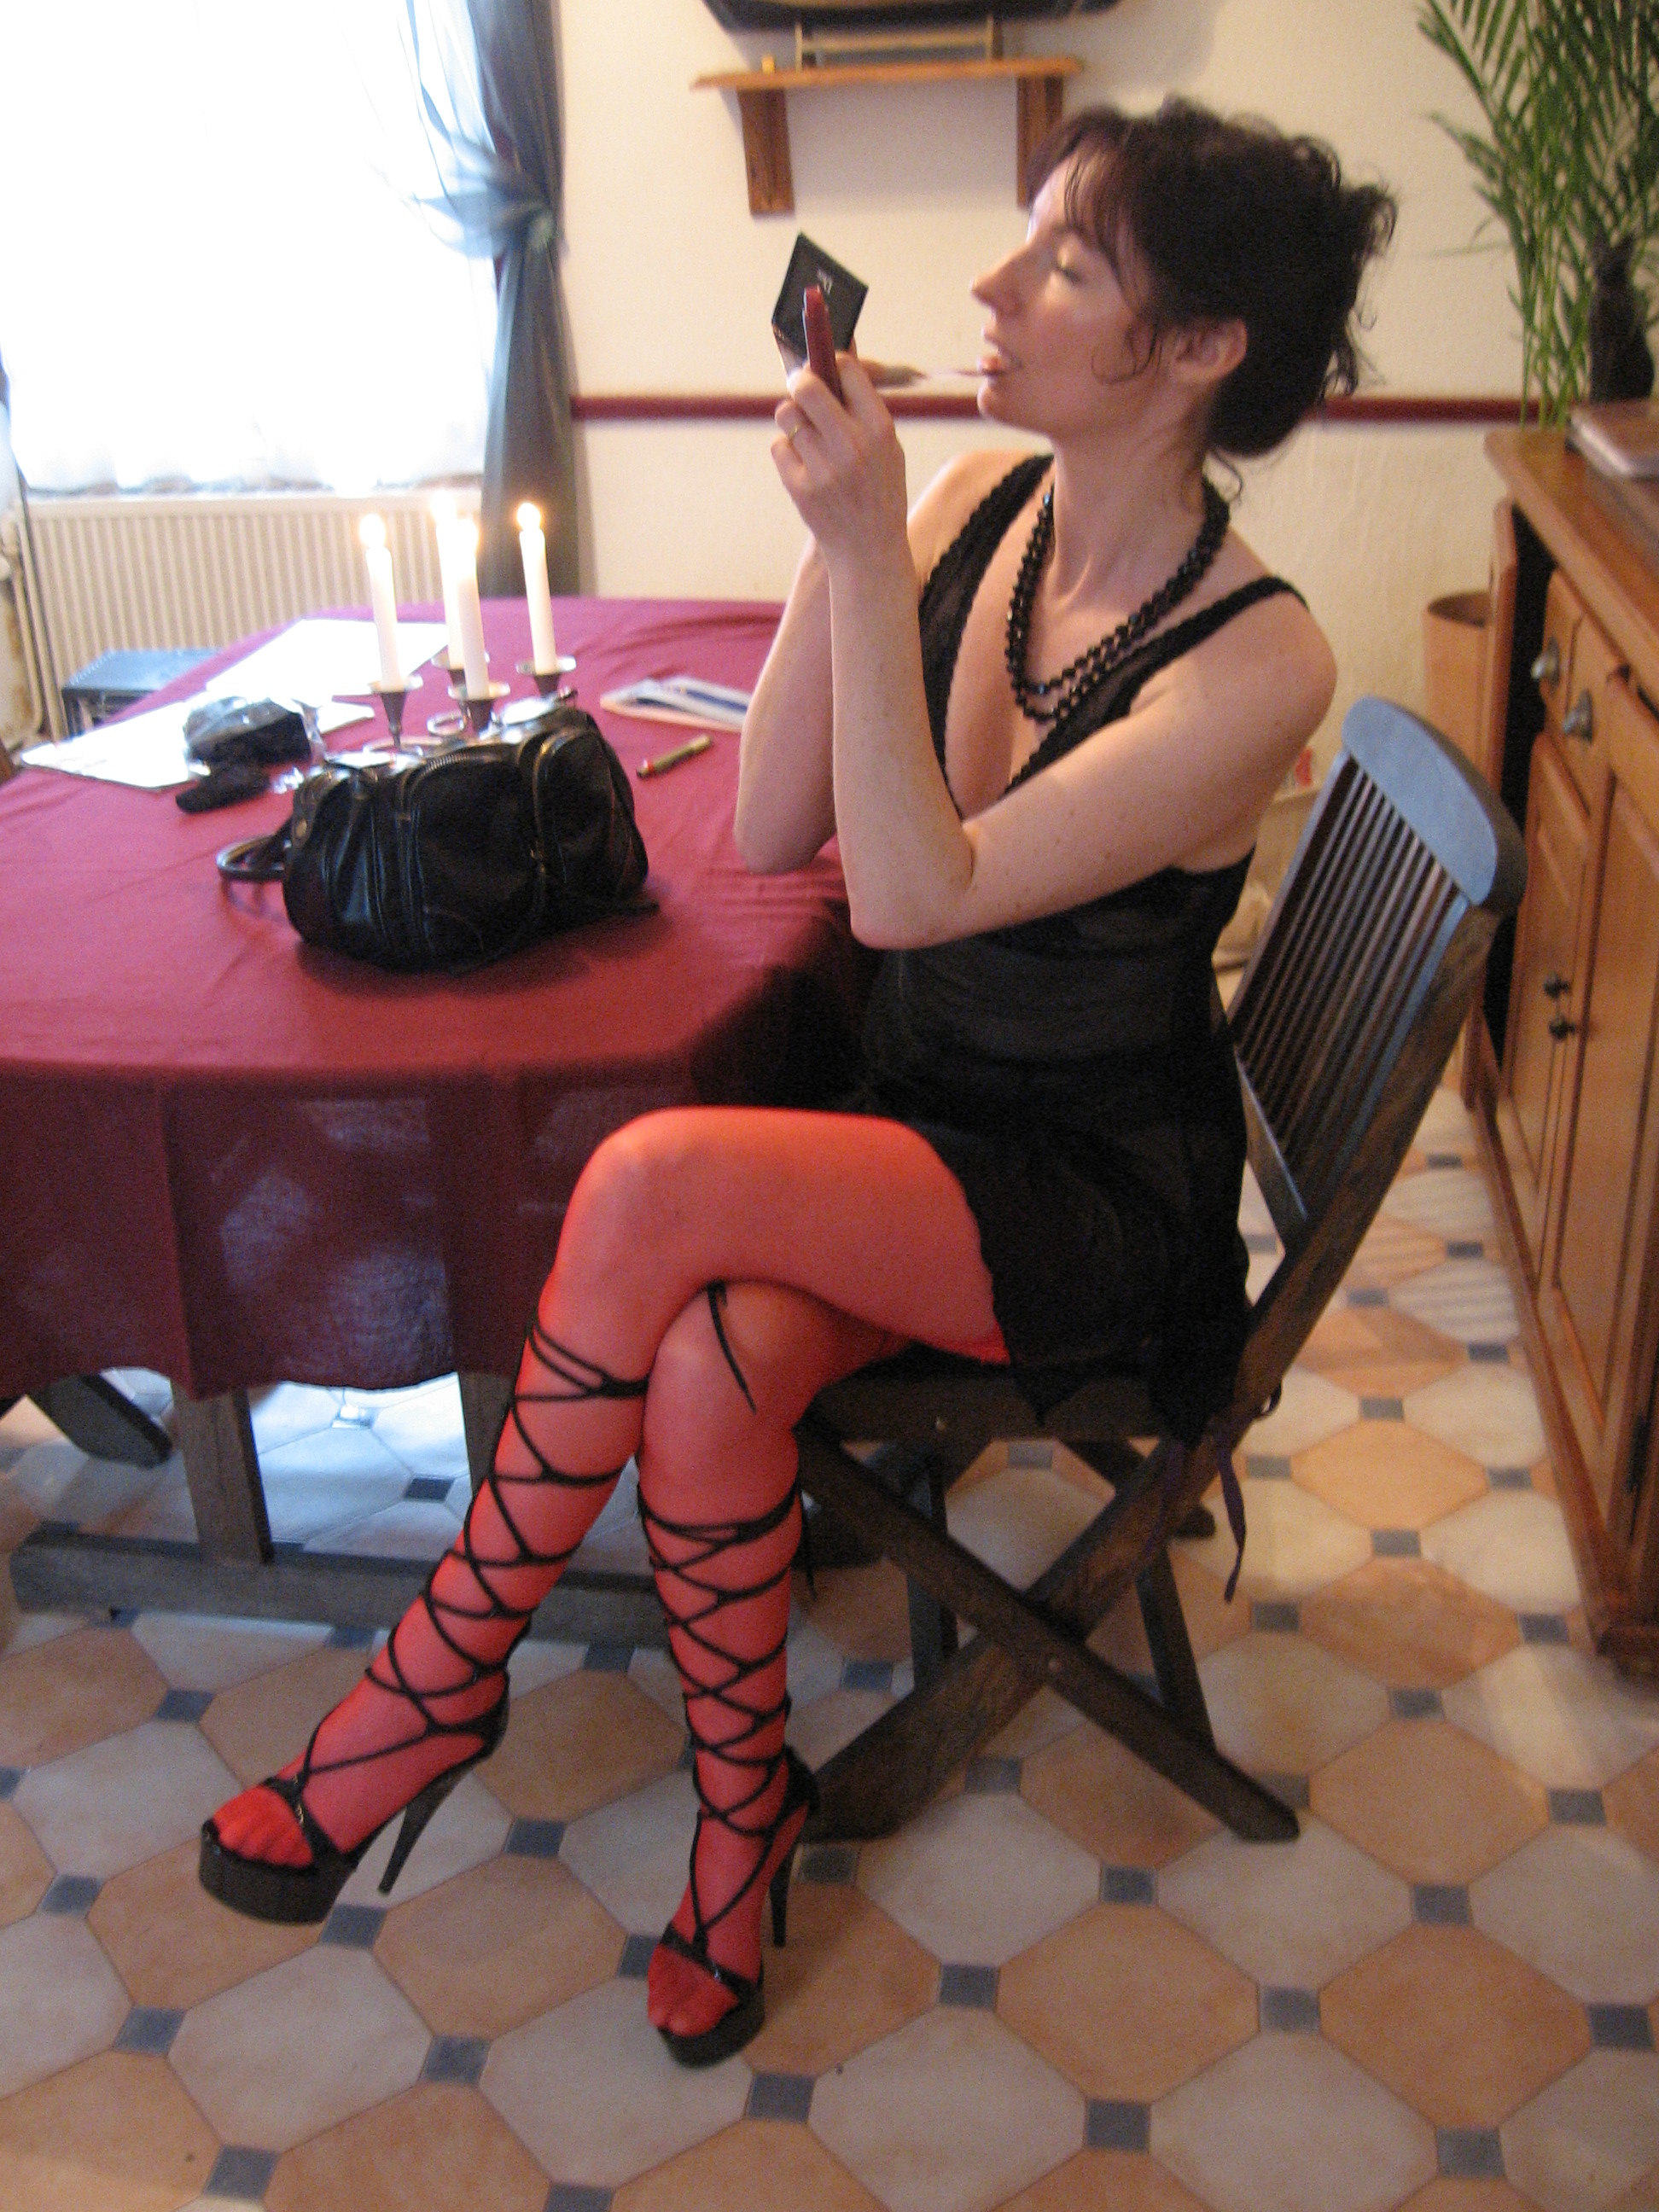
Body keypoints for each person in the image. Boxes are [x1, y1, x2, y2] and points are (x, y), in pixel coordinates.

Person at [200, 98, 1395, 2068]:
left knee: (648, 1182)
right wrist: (843, 552)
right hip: (913, 1132)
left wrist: (857, 548)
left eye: (1065, 264)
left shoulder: (1257, 664)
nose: (991, 289)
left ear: (1199, 348)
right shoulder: (977, 509)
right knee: (703, 1365)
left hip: (1084, 1197)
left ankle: (437, 1674)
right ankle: (740, 1821)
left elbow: (911, 897)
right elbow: (770, 824)